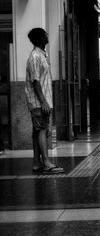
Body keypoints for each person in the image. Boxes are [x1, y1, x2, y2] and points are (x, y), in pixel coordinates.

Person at [25, 28, 64, 173]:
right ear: (40, 38)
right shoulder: (35, 56)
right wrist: (43, 102)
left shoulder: (41, 55)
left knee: (37, 132)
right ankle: (47, 163)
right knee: (42, 130)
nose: (47, 35)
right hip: (38, 102)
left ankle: (37, 163)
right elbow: (35, 81)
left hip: (41, 101)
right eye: (45, 34)